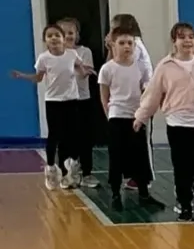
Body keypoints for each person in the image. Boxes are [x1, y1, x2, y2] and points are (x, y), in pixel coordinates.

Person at [134, 22, 194, 220]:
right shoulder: (165, 67)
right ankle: (185, 206)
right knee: (182, 168)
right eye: (182, 37)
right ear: (174, 41)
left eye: (191, 37)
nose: (187, 41)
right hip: (178, 125)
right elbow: (153, 94)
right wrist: (141, 116)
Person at [11, 23, 94, 189]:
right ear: (45, 41)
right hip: (53, 101)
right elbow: (39, 78)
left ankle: (71, 166)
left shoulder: (72, 54)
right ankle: (50, 168)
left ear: (63, 39)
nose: (54, 38)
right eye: (50, 36)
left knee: (73, 134)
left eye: (57, 35)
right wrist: (22, 76)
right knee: (54, 135)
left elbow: (80, 69)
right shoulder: (44, 58)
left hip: (72, 100)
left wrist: (87, 72)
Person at [98, 29, 161, 210]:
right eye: (122, 43)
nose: (126, 46)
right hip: (117, 117)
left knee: (140, 155)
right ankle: (115, 194)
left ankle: (144, 193)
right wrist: (109, 115)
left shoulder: (140, 67)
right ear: (113, 45)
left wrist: (143, 113)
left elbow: (146, 90)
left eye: (130, 43)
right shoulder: (107, 69)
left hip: (136, 117)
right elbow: (104, 96)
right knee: (116, 157)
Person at [57, 18, 97, 188]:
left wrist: (72, 63)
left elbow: (83, 73)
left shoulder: (84, 52)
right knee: (65, 139)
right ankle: (66, 174)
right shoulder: (54, 55)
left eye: (71, 32)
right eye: (63, 33)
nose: (68, 36)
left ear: (77, 35)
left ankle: (87, 173)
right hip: (63, 101)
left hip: (82, 100)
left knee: (85, 138)